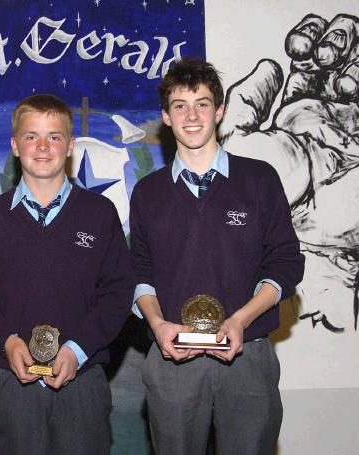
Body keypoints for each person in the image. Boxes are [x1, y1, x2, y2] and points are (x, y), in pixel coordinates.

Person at [130, 57, 305, 455]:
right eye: (180, 106)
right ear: (166, 117)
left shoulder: (259, 179)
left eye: (202, 103)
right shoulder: (148, 193)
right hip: (171, 356)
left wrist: (242, 320)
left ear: (220, 111)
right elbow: (138, 272)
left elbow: (286, 263)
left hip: (248, 354)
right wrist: (157, 325)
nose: (192, 116)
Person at [0, 94, 134, 455]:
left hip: (83, 379)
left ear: (69, 147)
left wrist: (78, 349)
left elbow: (119, 292)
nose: (43, 146)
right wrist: (6, 341)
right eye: (31, 136)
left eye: (54, 136)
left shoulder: (99, 214)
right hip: (13, 382)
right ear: (15, 146)